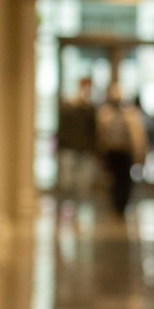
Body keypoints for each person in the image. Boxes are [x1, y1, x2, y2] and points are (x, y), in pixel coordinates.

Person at [95, 82, 146, 218]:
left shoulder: (130, 114)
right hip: (113, 152)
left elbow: (137, 136)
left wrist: (139, 153)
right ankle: (116, 204)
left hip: (125, 151)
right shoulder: (105, 114)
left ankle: (121, 204)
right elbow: (101, 136)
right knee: (114, 180)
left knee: (124, 180)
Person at [55, 77, 98, 214]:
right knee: (67, 183)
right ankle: (66, 212)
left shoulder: (90, 109)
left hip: (84, 151)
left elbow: (93, 132)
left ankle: (79, 213)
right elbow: (62, 129)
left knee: (82, 185)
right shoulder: (68, 107)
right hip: (69, 150)